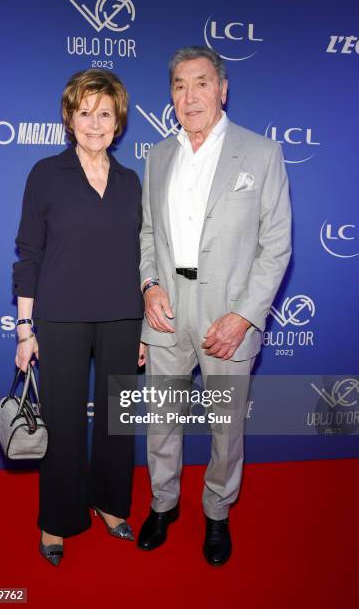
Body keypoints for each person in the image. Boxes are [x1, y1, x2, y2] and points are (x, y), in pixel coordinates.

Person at [137, 46, 292, 565]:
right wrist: (149, 284)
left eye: (201, 83)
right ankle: (163, 504)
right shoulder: (157, 156)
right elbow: (148, 233)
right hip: (166, 310)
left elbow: (277, 245)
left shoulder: (262, 152)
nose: (190, 95)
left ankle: (217, 512)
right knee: (161, 419)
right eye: (179, 85)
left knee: (226, 429)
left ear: (222, 90)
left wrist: (245, 314)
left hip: (229, 312)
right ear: (172, 96)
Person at [12, 69, 145, 566]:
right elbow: (28, 253)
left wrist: (146, 330)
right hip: (61, 318)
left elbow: (144, 256)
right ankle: (58, 518)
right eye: (85, 112)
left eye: (105, 114)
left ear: (118, 122)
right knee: (63, 422)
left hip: (123, 319)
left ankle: (111, 504)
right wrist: (25, 328)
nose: (95, 123)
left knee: (117, 420)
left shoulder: (133, 182)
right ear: (69, 118)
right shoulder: (45, 174)